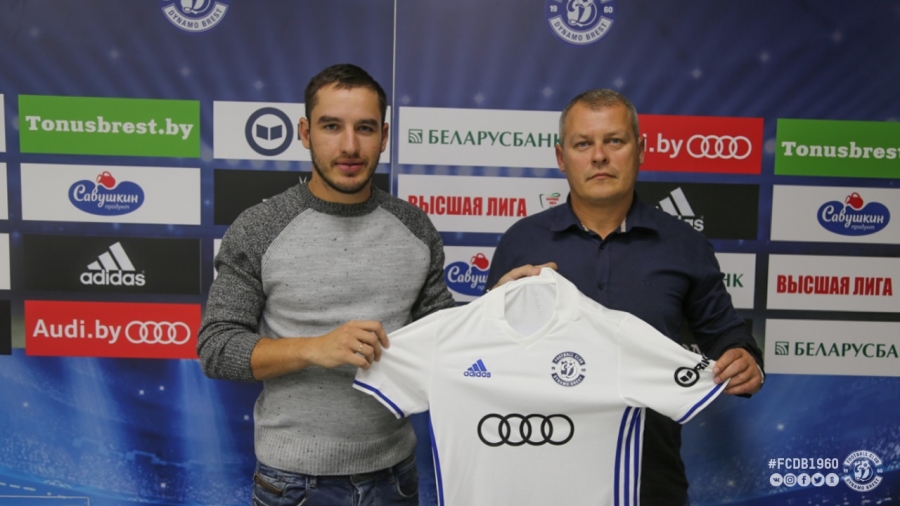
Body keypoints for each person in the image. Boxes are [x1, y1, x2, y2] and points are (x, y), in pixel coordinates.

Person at [485, 89, 764, 505]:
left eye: (614, 141)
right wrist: (492, 312)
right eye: (583, 144)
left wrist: (744, 358)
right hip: (538, 476)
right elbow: (483, 358)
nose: (599, 156)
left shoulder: (684, 245)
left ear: (641, 150)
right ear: (561, 157)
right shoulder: (521, 242)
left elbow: (724, 334)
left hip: (649, 478)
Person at [197, 63, 455, 506]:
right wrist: (314, 348)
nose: (350, 145)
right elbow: (217, 348)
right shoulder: (260, 227)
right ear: (305, 132)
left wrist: (505, 303)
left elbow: (445, 336)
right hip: (292, 484)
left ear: (384, 136)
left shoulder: (415, 227)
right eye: (332, 126)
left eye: (365, 128)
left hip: (395, 478)